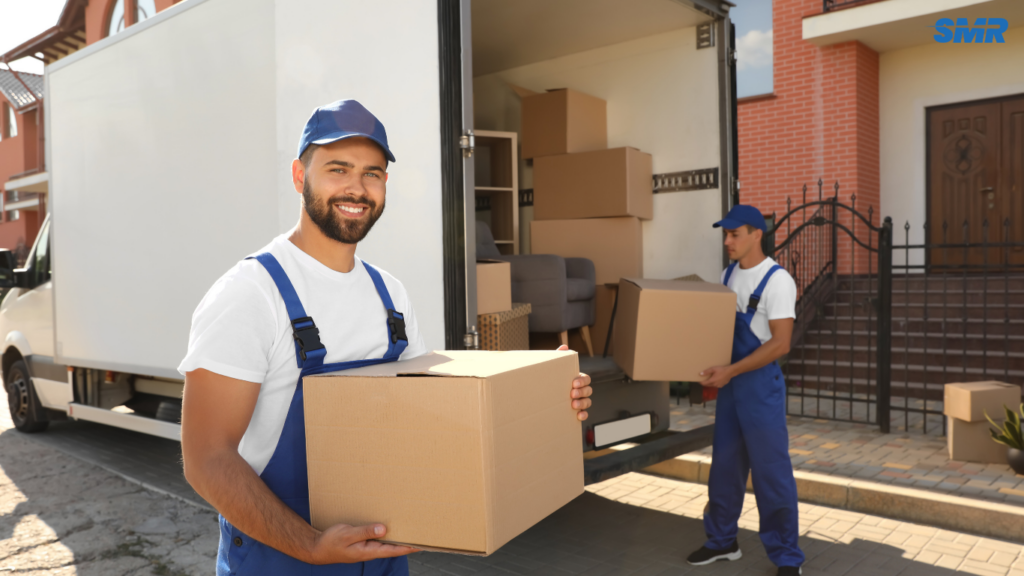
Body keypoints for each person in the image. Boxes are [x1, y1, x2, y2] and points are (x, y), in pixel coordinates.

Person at [178, 99, 594, 575]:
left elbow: (436, 413)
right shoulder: (251, 294)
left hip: (384, 560)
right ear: (299, 175)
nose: (356, 187)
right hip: (283, 559)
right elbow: (206, 459)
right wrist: (311, 545)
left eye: (372, 173)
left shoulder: (388, 294)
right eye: (338, 169)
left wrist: (544, 395)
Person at [686, 205, 804, 576]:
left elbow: (781, 344)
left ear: (757, 234)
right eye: (725, 234)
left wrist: (731, 370)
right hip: (731, 387)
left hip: (759, 387)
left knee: (771, 474)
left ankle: (787, 558)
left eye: (735, 234)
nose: (727, 241)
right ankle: (722, 542)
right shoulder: (728, 274)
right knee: (724, 466)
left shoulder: (778, 281)